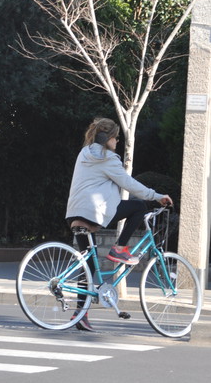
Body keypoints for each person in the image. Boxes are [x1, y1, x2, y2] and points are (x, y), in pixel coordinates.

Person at [66, 117, 173, 331]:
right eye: (116, 138)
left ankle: (80, 314)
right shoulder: (108, 158)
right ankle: (119, 249)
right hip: (93, 212)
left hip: (74, 212)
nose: (117, 143)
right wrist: (156, 196)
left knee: (87, 265)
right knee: (138, 207)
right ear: (108, 138)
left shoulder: (84, 153)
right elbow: (128, 183)